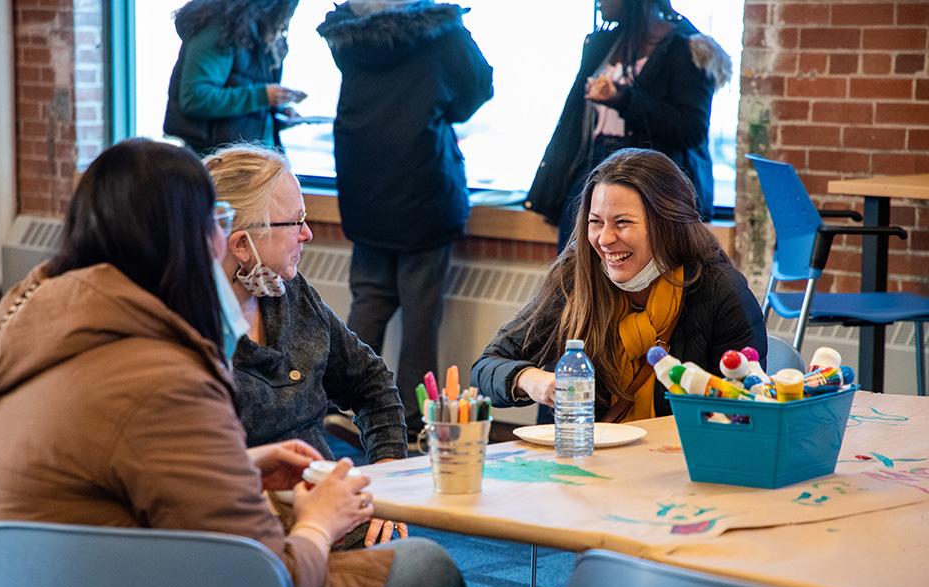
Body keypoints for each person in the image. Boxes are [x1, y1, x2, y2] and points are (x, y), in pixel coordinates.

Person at [0, 138, 500, 587]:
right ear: (188, 241)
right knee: (426, 573)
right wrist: (317, 525)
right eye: (213, 225)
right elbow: (268, 583)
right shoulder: (163, 373)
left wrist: (241, 468)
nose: (220, 240)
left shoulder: (23, 341)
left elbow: (118, 477)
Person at [205, 143, 408, 548]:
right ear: (242, 245)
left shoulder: (289, 293)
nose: (308, 234)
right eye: (295, 222)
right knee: (424, 579)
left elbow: (371, 382)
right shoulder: (190, 330)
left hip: (332, 519)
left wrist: (386, 478)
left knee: (422, 574)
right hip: (251, 539)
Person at [472, 148, 765, 423]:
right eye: (596, 222)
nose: (605, 239)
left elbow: (743, 416)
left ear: (668, 224)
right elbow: (484, 369)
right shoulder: (579, 275)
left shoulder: (721, 291)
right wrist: (531, 380)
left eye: (623, 222)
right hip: (588, 465)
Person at [317, 0, 493, 441]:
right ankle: (411, 424)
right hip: (422, 185)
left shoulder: (350, 34)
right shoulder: (439, 31)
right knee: (420, 315)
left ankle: (345, 406)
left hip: (364, 184)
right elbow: (477, 88)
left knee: (370, 299)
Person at [524, 0, 732, 252]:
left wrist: (624, 99)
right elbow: (572, 123)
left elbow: (691, 130)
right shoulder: (602, 43)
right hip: (591, 169)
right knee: (576, 272)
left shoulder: (684, 47)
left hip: (646, 181)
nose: (599, 2)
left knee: (630, 271)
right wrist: (557, 191)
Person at [163, 0, 308, 156]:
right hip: (223, 162)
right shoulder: (219, 26)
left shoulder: (255, 30)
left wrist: (279, 112)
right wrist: (263, 96)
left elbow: (243, 92)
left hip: (255, 157)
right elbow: (196, 98)